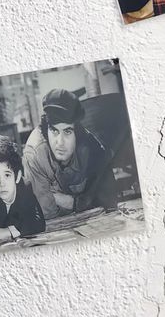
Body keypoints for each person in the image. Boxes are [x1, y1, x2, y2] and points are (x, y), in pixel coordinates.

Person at [22, 89, 118, 221]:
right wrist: (84, 202)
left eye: (67, 132)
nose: (59, 143)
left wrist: (73, 203)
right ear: (47, 128)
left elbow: (110, 202)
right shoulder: (35, 153)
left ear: (77, 134)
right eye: (54, 131)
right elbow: (48, 217)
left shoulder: (92, 148)